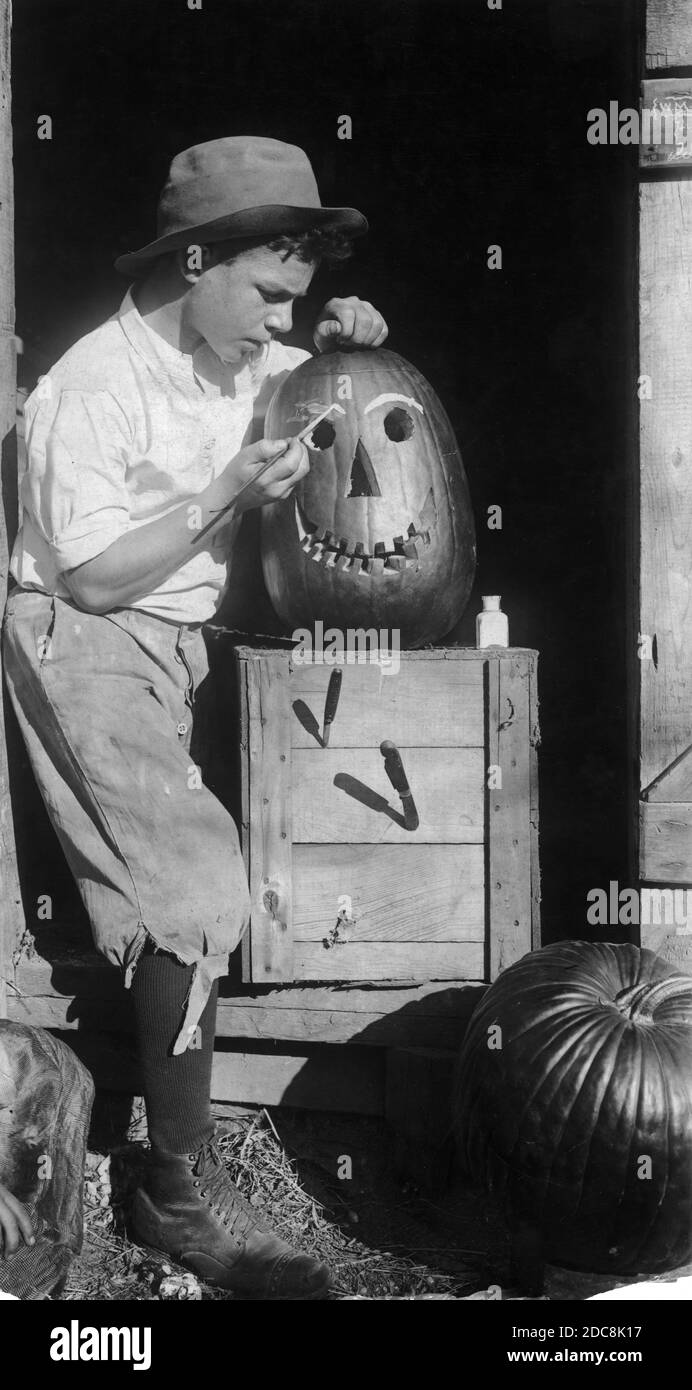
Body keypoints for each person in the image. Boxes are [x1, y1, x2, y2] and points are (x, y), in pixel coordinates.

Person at [2, 135, 387, 1299]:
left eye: (296, 297)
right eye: (266, 292)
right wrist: (222, 494)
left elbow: (297, 376)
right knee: (191, 878)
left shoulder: (241, 362)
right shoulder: (90, 386)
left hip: (186, 647)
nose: (279, 316)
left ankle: (161, 1142)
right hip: (89, 638)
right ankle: (174, 1180)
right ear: (195, 262)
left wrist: (334, 347)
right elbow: (90, 582)